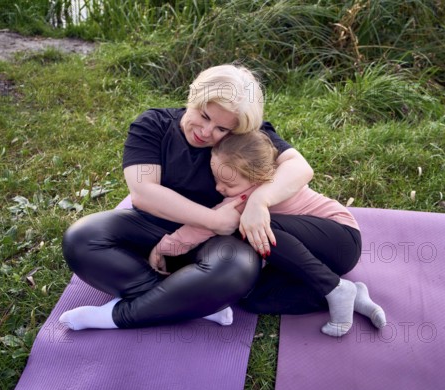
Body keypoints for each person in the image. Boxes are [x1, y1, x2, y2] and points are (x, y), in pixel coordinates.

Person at [59, 63, 315, 330]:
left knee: (236, 269)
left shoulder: (247, 137)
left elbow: (299, 167)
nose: (206, 132)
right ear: (194, 97)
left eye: (222, 130)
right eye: (204, 116)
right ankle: (190, 303)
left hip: (211, 244)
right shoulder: (153, 125)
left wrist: (259, 201)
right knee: (82, 238)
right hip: (152, 228)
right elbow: (144, 193)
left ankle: (120, 315)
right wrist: (214, 220)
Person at [148, 131, 386, 336]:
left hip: (341, 239)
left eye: (227, 184)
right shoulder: (243, 187)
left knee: (255, 227)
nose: (220, 188)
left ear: (257, 178)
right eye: (216, 179)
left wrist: (168, 246)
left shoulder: (250, 195)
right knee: (253, 298)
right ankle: (349, 294)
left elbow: (205, 226)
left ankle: (334, 288)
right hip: (314, 255)